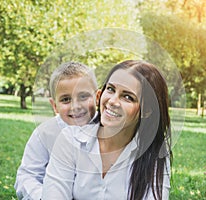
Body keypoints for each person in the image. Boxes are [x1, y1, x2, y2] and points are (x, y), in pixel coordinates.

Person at [42, 60, 172, 199]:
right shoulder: (70, 140)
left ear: (147, 111)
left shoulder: (156, 157)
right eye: (110, 89)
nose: (112, 101)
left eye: (127, 97)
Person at [14, 61, 99, 200]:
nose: (75, 106)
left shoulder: (107, 128)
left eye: (83, 96)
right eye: (66, 99)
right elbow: (28, 175)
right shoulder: (45, 133)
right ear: (54, 106)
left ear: (97, 97)